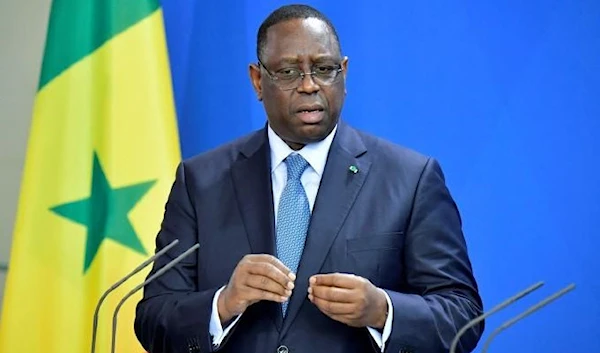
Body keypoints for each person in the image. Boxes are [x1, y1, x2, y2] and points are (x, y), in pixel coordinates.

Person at [134, 4, 484, 353]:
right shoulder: (200, 183)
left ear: (344, 73)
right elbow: (152, 318)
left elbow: (462, 314)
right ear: (258, 80)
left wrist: (382, 311)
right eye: (288, 72)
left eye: (324, 69)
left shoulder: (410, 180)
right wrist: (224, 304)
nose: (308, 86)